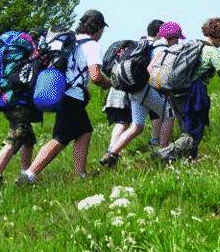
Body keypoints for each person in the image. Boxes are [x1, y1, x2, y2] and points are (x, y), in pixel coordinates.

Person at [17, 10, 111, 184]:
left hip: (63, 91)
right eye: (102, 30)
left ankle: (80, 174)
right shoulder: (92, 45)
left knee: (85, 131)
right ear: (97, 28)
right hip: (72, 96)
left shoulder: (72, 41)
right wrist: (110, 83)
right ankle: (29, 174)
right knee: (60, 138)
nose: (102, 34)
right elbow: (96, 76)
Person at [155, 18, 220, 161]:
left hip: (177, 92)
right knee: (193, 134)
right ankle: (162, 154)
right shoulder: (212, 51)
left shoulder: (193, 44)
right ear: (219, 35)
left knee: (187, 130)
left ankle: (189, 161)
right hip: (194, 93)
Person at [100, 21, 179, 167]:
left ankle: (111, 154)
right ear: (171, 37)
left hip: (133, 89)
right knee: (169, 113)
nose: (178, 41)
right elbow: (153, 68)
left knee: (137, 126)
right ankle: (164, 153)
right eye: (177, 38)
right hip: (144, 88)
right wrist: (163, 85)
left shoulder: (141, 44)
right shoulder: (160, 47)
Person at [102, 19, 164, 153]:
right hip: (135, 88)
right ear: (160, 33)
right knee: (162, 113)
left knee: (123, 121)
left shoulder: (137, 45)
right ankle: (157, 143)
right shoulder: (152, 47)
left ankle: (111, 151)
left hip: (118, 86)